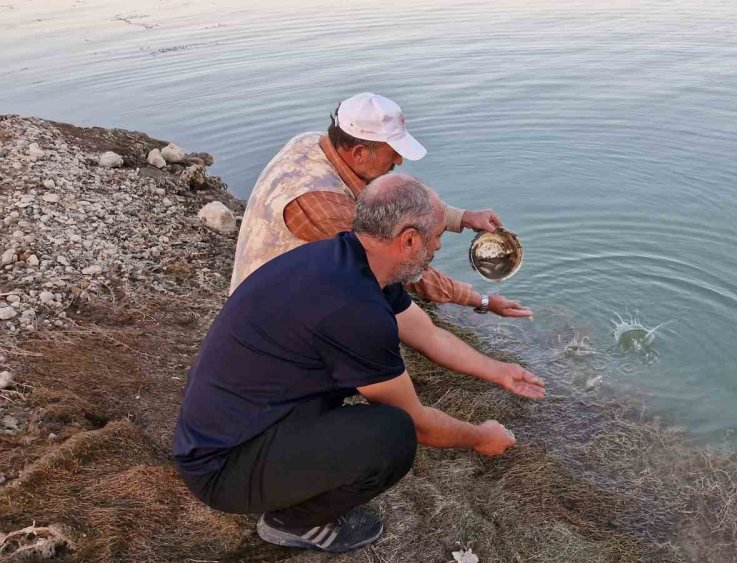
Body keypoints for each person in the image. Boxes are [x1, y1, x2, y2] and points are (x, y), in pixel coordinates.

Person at [174, 173, 545, 554]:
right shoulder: (354, 308)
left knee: (374, 416)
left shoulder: (353, 260)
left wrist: (499, 371)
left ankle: (289, 488)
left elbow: (429, 335)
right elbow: (419, 425)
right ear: (409, 239)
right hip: (222, 466)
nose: (438, 245)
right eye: (436, 236)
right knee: (392, 436)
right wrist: (481, 437)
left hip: (237, 423)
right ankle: (294, 522)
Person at [230, 91, 531, 318]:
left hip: (291, 282)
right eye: (393, 152)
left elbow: (387, 205)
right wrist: (481, 300)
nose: (399, 160)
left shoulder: (314, 142)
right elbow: (403, 263)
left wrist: (463, 218)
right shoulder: (321, 205)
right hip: (268, 313)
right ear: (360, 152)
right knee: (383, 304)